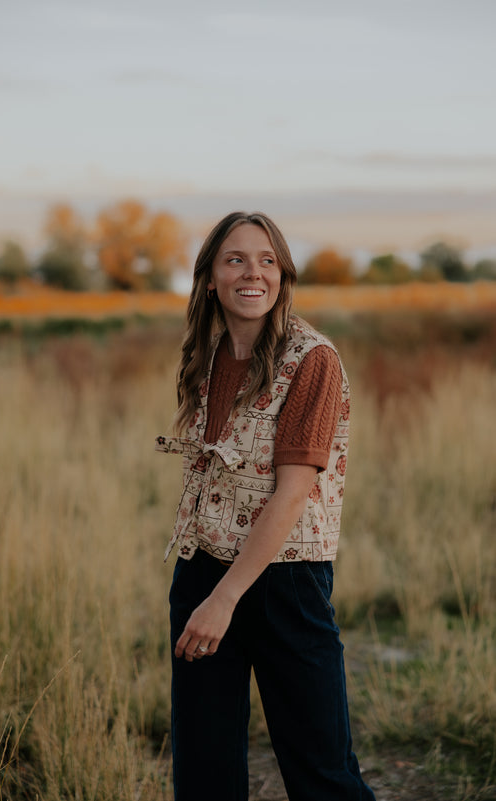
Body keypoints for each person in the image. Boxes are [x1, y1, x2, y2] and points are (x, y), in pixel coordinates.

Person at [156, 211, 375, 801]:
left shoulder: (312, 359)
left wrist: (225, 599)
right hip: (202, 571)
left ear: (283, 275)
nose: (253, 273)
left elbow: (293, 491)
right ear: (210, 279)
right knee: (203, 773)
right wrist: (205, 591)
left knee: (321, 774)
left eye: (267, 260)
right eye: (235, 260)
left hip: (287, 584)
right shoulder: (206, 356)